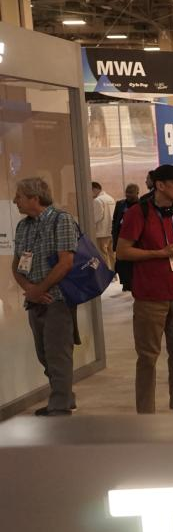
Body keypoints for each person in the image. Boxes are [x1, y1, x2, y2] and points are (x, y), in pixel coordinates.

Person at [116, 164, 173, 414]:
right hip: (150, 297)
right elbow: (123, 251)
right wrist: (159, 254)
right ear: (160, 185)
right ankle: (146, 413)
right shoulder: (137, 213)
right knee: (148, 357)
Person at [12, 178, 78, 416]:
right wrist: (30, 289)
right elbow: (17, 264)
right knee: (43, 354)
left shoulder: (61, 220)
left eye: (19, 196)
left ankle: (60, 405)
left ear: (34, 198)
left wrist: (40, 289)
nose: (15, 201)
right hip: (35, 299)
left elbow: (66, 262)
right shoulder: (23, 226)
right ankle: (64, 397)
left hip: (57, 299)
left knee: (57, 353)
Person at [112, 183, 140, 291]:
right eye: (127, 192)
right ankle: (125, 283)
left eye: (131, 193)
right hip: (120, 236)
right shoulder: (120, 204)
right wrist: (114, 234)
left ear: (137, 193)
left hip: (134, 238)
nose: (128, 195)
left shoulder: (141, 205)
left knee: (132, 263)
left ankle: (133, 283)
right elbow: (115, 220)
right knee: (121, 263)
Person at [91, 181, 116, 269]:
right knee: (112, 254)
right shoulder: (110, 198)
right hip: (111, 231)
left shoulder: (97, 200)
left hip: (101, 232)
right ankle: (114, 272)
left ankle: (106, 273)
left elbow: (97, 217)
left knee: (103, 255)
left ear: (94, 189)